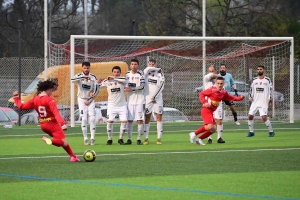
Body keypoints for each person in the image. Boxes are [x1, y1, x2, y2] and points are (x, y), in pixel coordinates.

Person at [13, 80, 80, 162]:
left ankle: (73, 157)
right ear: (48, 89)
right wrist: (62, 124)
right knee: (62, 142)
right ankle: (50, 141)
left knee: (62, 141)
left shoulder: (34, 99)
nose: (52, 92)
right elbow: (56, 113)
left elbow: (22, 107)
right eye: (52, 89)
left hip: (43, 125)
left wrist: (16, 98)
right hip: (52, 124)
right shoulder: (50, 100)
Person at [190, 77, 245, 145]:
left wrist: (240, 98)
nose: (219, 85)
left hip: (211, 111)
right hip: (206, 110)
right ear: (216, 83)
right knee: (210, 126)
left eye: (221, 83)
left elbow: (232, 97)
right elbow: (201, 94)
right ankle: (193, 134)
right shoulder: (212, 90)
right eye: (218, 83)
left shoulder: (224, 92)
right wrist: (204, 102)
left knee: (213, 129)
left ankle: (199, 139)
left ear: (223, 84)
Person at [95, 66, 127, 145]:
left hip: (122, 105)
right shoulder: (107, 81)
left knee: (124, 121)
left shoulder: (122, 80)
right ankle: (109, 139)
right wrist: (93, 92)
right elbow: (98, 86)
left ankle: (120, 138)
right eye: (114, 72)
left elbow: (125, 81)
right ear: (112, 72)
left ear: (120, 73)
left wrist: (113, 78)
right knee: (110, 121)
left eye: (117, 72)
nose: (116, 74)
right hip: (112, 105)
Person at [195, 65, 225, 144]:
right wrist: (218, 75)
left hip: (217, 103)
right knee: (209, 122)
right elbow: (211, 76)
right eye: (210, 71)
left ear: (215, 70)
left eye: (212, 71)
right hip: (208, 103)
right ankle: (209, 138)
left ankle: (219, 137)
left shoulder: (219, 82)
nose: (211, 73)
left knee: (219, 120)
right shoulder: (206, 78)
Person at [71, 61, 98, 146]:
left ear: (90, 68)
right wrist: (83, 77)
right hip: (81, 100)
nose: (86, 69)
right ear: (82, 68)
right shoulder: (79, 76)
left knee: (92, 118)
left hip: (90, 100)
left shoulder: (93, 77)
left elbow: (96, 89)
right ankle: (85, 138)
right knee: (84, 119)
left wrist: (91, 97)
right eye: (84, 68)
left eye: (87, 68)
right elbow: (72, 80)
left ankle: (93, 138)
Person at [247, 65, 275, 137]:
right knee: (250, 116)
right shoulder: (254, 80)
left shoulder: (267, 80)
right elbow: (251, 89)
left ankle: (271, 131)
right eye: (258, 69)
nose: (259, 70)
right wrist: (250, 97)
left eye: (261, 69)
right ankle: (251, 132)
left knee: (264, 117)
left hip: (264, 102)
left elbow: (270, 90)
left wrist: (270, 97)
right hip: (255, 102)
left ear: (264, 70)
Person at [143, 59, 165, 145]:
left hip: (157, 99)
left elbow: (161, 86)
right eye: (150, 64)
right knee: (147, 117)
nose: (151, 65)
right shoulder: (145, 73)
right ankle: (146, 138)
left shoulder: (160, 74)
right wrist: (158, 68)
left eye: (153, 64)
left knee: (159, 117)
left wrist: (155, 96)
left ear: (155, 64)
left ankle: (159, 138)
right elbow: (147, 69)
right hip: (148, 99)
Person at [124, 59, 145, 145]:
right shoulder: (127, 75)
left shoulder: (141, 74)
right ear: (130, 65)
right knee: (129, 120)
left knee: (139, 120)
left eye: (135, 64)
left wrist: (132, 89)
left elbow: (142, 86)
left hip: (139, 100)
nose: (133, 66)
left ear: (138, 66)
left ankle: (139, 139)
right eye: (132, 64)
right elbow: (125, 86)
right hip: (130, 101)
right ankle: (129, 139)